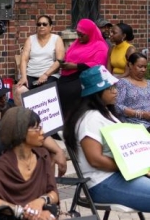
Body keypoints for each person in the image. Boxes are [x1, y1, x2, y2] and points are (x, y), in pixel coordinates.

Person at [64, 65, 150, 212]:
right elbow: (95, 160)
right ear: (97, 93)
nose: (115, 91)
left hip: (119, 176)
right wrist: (130, 167)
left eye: (115, 87)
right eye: (110, 88)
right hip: (102, 182)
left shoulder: (106, 113)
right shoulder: (90, 119)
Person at [0, 77, 67, 192]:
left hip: (11, 154)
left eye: (4, 95)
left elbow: (31, 127)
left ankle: (49, 196)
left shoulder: (6, 107)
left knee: (46, 152)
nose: (3, 100)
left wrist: (58, 150)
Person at [0, 107, 59, 220]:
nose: (42, 132)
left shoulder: (43, 155)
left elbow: (54, 193)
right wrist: (23, 212)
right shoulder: (4, 163)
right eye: (36, 128)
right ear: (21, 132)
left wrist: (40, 201)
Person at [58, 18, 109, 118]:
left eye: (82, 35)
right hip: (68, 75)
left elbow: (98, 65)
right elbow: (68, 56)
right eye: (78, 34)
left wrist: (76, 66)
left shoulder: (100, 46)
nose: (79, 37)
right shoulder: (77, 43)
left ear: (90, 33)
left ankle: (72, 119)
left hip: (85, 77)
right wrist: (65, 64)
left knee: (70, 92)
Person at [14, 15, 65, 106]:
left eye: (44, 24)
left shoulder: (56, 39)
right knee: (19, 90)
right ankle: (24, 117)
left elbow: (60, 60)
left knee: (45, 91)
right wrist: (24, 77)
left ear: (50, 27)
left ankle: (42, 118)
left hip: (50, 75)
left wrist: (46, 74)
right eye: (39, 24)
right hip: (31, 74)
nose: (41, 26)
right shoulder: (30, 39)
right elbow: (24, 59)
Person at [115, 52, 150, 129]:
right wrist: (141, 114)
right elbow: (117, 106)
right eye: (140, 67)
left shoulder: (149, 83)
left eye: (145, 67)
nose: (143, 70)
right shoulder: (123, 83)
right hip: (135, 124)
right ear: (130, 65)